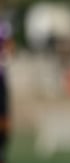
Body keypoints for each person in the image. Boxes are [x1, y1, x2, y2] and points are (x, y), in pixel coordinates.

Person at [0, 16, 13, 163]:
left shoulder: (3, 26)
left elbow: (10, 46)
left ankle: (2, 151)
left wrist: (6, 54)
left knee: (4, 120)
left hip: (1, 80)